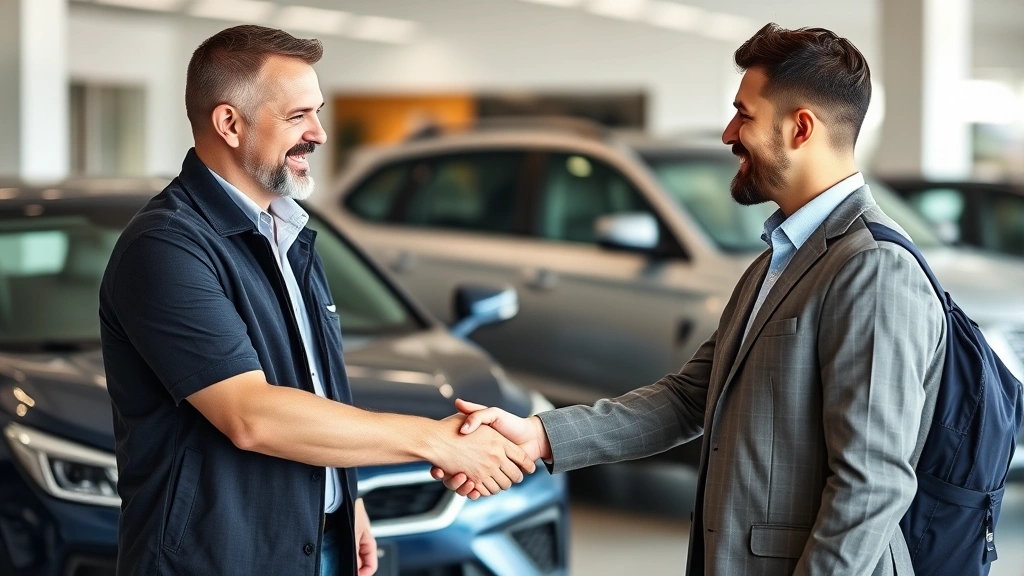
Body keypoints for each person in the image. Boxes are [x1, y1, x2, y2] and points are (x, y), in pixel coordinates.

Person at [435, 23, 947, 576]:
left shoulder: (872, 268)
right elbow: (687, 399)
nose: (729, 132)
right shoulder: (780, 259)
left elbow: (871, 485)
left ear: (801, 128)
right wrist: (538, 435)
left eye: (744, 114)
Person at [99, 25, 535, 576]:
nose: (320, 134)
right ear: (230, 123)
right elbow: (250, 414)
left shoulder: (289, 232)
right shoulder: (166, 247)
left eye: (318, 112)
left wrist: (343, 498)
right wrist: (434, 441)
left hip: (314, 537)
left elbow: (315, 383)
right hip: (220, 557)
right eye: (297, 116)